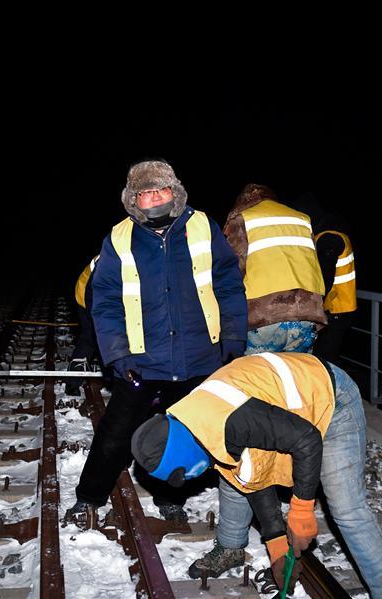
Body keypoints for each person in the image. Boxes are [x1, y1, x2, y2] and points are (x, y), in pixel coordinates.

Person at [131, 352, 382, 599]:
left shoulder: (230, 422)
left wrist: (301, 509)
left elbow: (307, 440)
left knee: (348, 510)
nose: (190, 480)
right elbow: (251, 478)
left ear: (185, 456)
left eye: (185, 475)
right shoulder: (195, 423)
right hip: (281, 414)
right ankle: (231, 547)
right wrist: (277, 546)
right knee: (231, 477)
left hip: (330, 400)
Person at [65, 159, 247, 523]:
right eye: (145, 194)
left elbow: (228, 284)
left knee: (185, 433)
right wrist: (117, 355)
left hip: (200, 357)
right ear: (134, 201)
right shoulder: (118, 238)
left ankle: (170, 497)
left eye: (161, 191)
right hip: (142, 362)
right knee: (115, 434)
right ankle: (89, 497)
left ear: (175, 193)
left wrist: (233, 336)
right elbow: (105, 302)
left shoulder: (202, 227)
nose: (154, 199)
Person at [222, 184, 327, 354]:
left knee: (258, 378)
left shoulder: (243, 219)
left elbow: (230, 272)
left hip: (263, 318)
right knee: (295, 376)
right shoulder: (302, 219)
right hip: (307, 315)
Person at [292, 192, 357, 364]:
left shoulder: (328, 238)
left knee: (325, 360)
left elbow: (324, 278)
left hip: (335, 311)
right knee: (326, 358)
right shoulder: (331, 233)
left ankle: (327, 389)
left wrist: (310, 307)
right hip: (338, 309)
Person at [65, 255, 100, 396]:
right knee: (90, 337)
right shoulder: (110, 259)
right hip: (87, 295)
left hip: (111, 297)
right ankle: (73, 382)